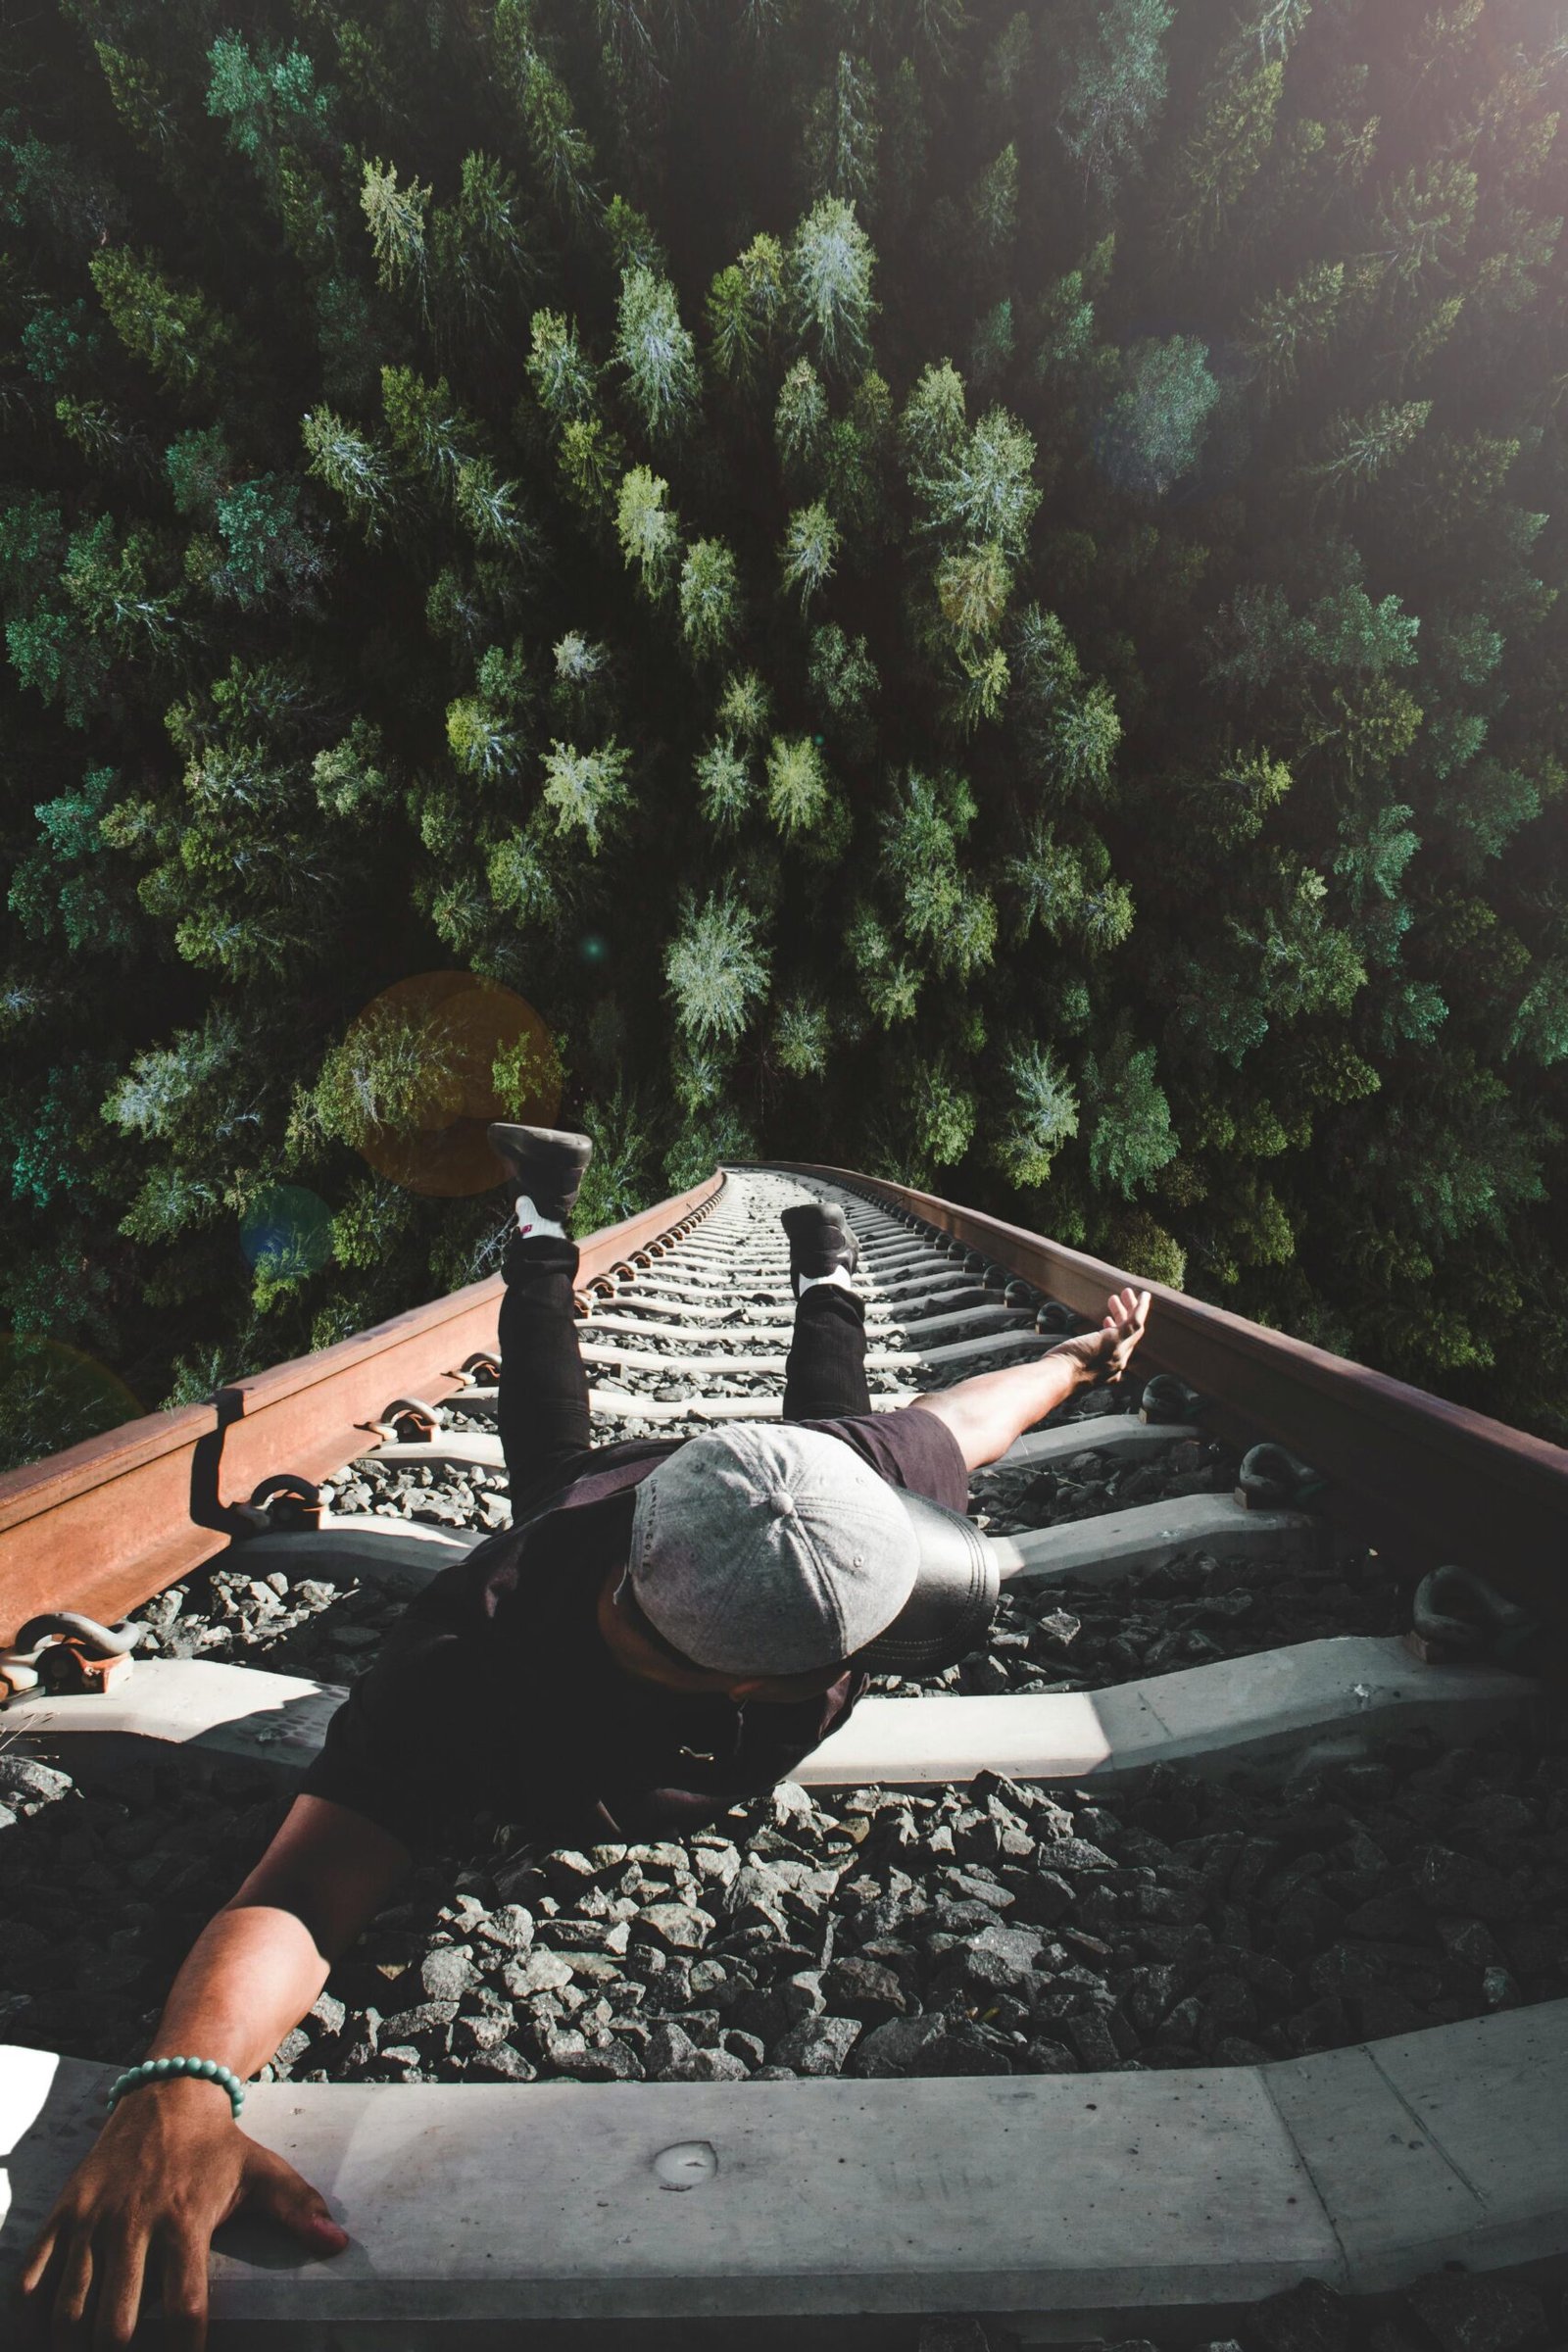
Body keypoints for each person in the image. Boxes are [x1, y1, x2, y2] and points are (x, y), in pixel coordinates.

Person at [17, 1126, 1151, 2348]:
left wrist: (1082, 1360)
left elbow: (958, 1420)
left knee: (844, 1422)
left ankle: (816, 1266)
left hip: (715, 1489)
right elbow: (305, 1879)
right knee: (551, 1454)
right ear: (755, 1695)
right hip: (589, 1508)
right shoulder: (468, 1666)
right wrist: (180, 2084)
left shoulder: (829, 1478)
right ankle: (541, 1224)